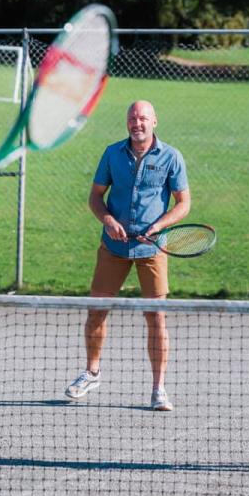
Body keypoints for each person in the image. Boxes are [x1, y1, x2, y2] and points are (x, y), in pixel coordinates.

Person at [65, 100, 190, 411]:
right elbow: (95, 197)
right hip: (114, 247)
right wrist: (107, 220)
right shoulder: (112, 154)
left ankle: (159, 389)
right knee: (96, 311)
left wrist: (159, 225)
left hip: (152, 250)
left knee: (156, 317)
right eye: (133, 118)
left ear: (154, 121)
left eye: (143, 118)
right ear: (127, 123)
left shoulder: (171, 157)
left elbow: (183, 203)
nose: (138, 123)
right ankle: (91, 373)